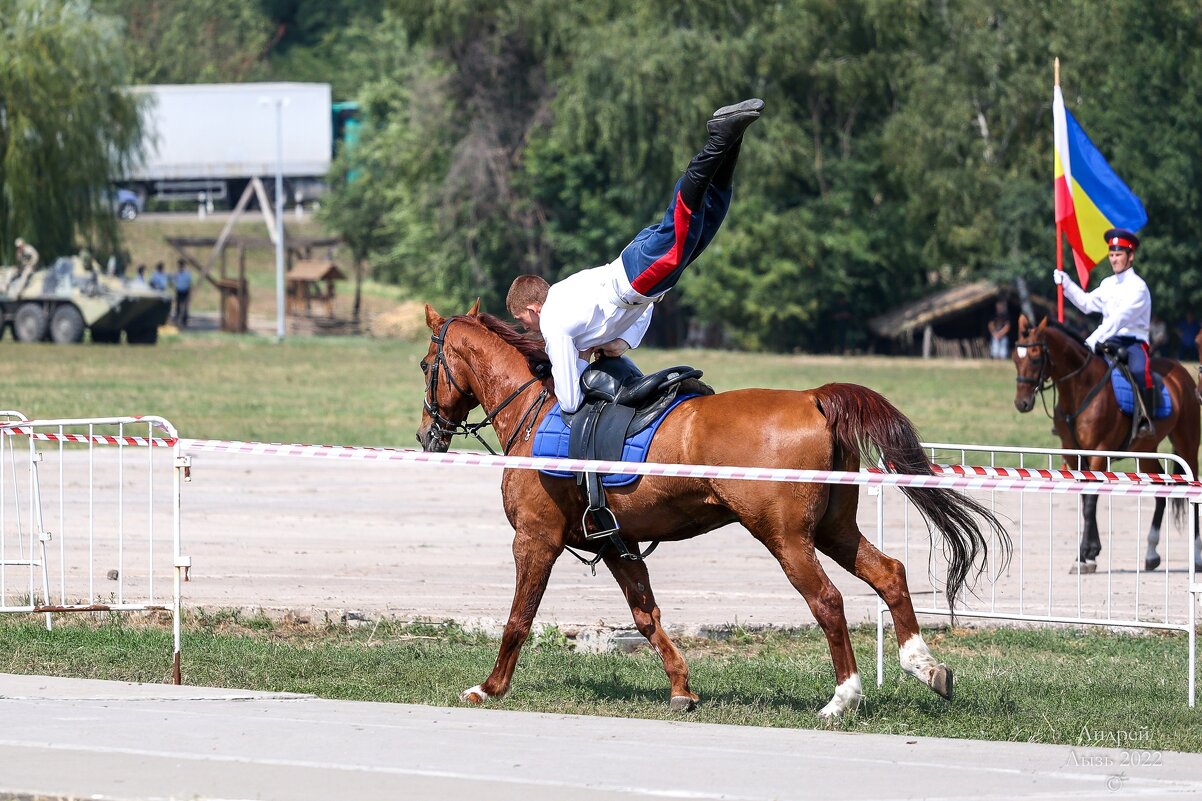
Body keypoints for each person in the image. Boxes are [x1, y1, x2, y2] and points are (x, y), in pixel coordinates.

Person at [506, 98, 764, 413]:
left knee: (684, 212)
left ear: (534, 308)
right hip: (639, 281)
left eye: (523, 320)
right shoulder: (568, 302)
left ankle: (718, 137)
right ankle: (732, 138)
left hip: (634, 278)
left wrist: (584, 359)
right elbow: (643, 306)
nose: (527, 327)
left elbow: (570, 400)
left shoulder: (553, 322)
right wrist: (621, 343)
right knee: (710, 216)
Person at [1054, 227, 1154, 435]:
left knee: (1138, 371)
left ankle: (1145, 418)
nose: (1114, 259)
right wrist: (1066, 283)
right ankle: (1066, 414)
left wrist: (1092, 338)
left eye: (1118, 255)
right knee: (1081, 367)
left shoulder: (1138, 287)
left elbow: (1119, 319)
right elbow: (1086, 303)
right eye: (1111, 255)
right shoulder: (1108, 284)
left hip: (1132, 342)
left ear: (1131, 256)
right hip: (1108, 340)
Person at [174, 259, 192, 327]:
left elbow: (189, 283)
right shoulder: (177, 273)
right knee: (178, 307)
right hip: (179, 291)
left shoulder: (187, 273)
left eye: (181, 265)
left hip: (185, 291)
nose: (180, 266)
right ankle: (177, 321)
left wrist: (189, 293)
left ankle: (184, 321)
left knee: (185, 307)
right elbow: (175, 282)